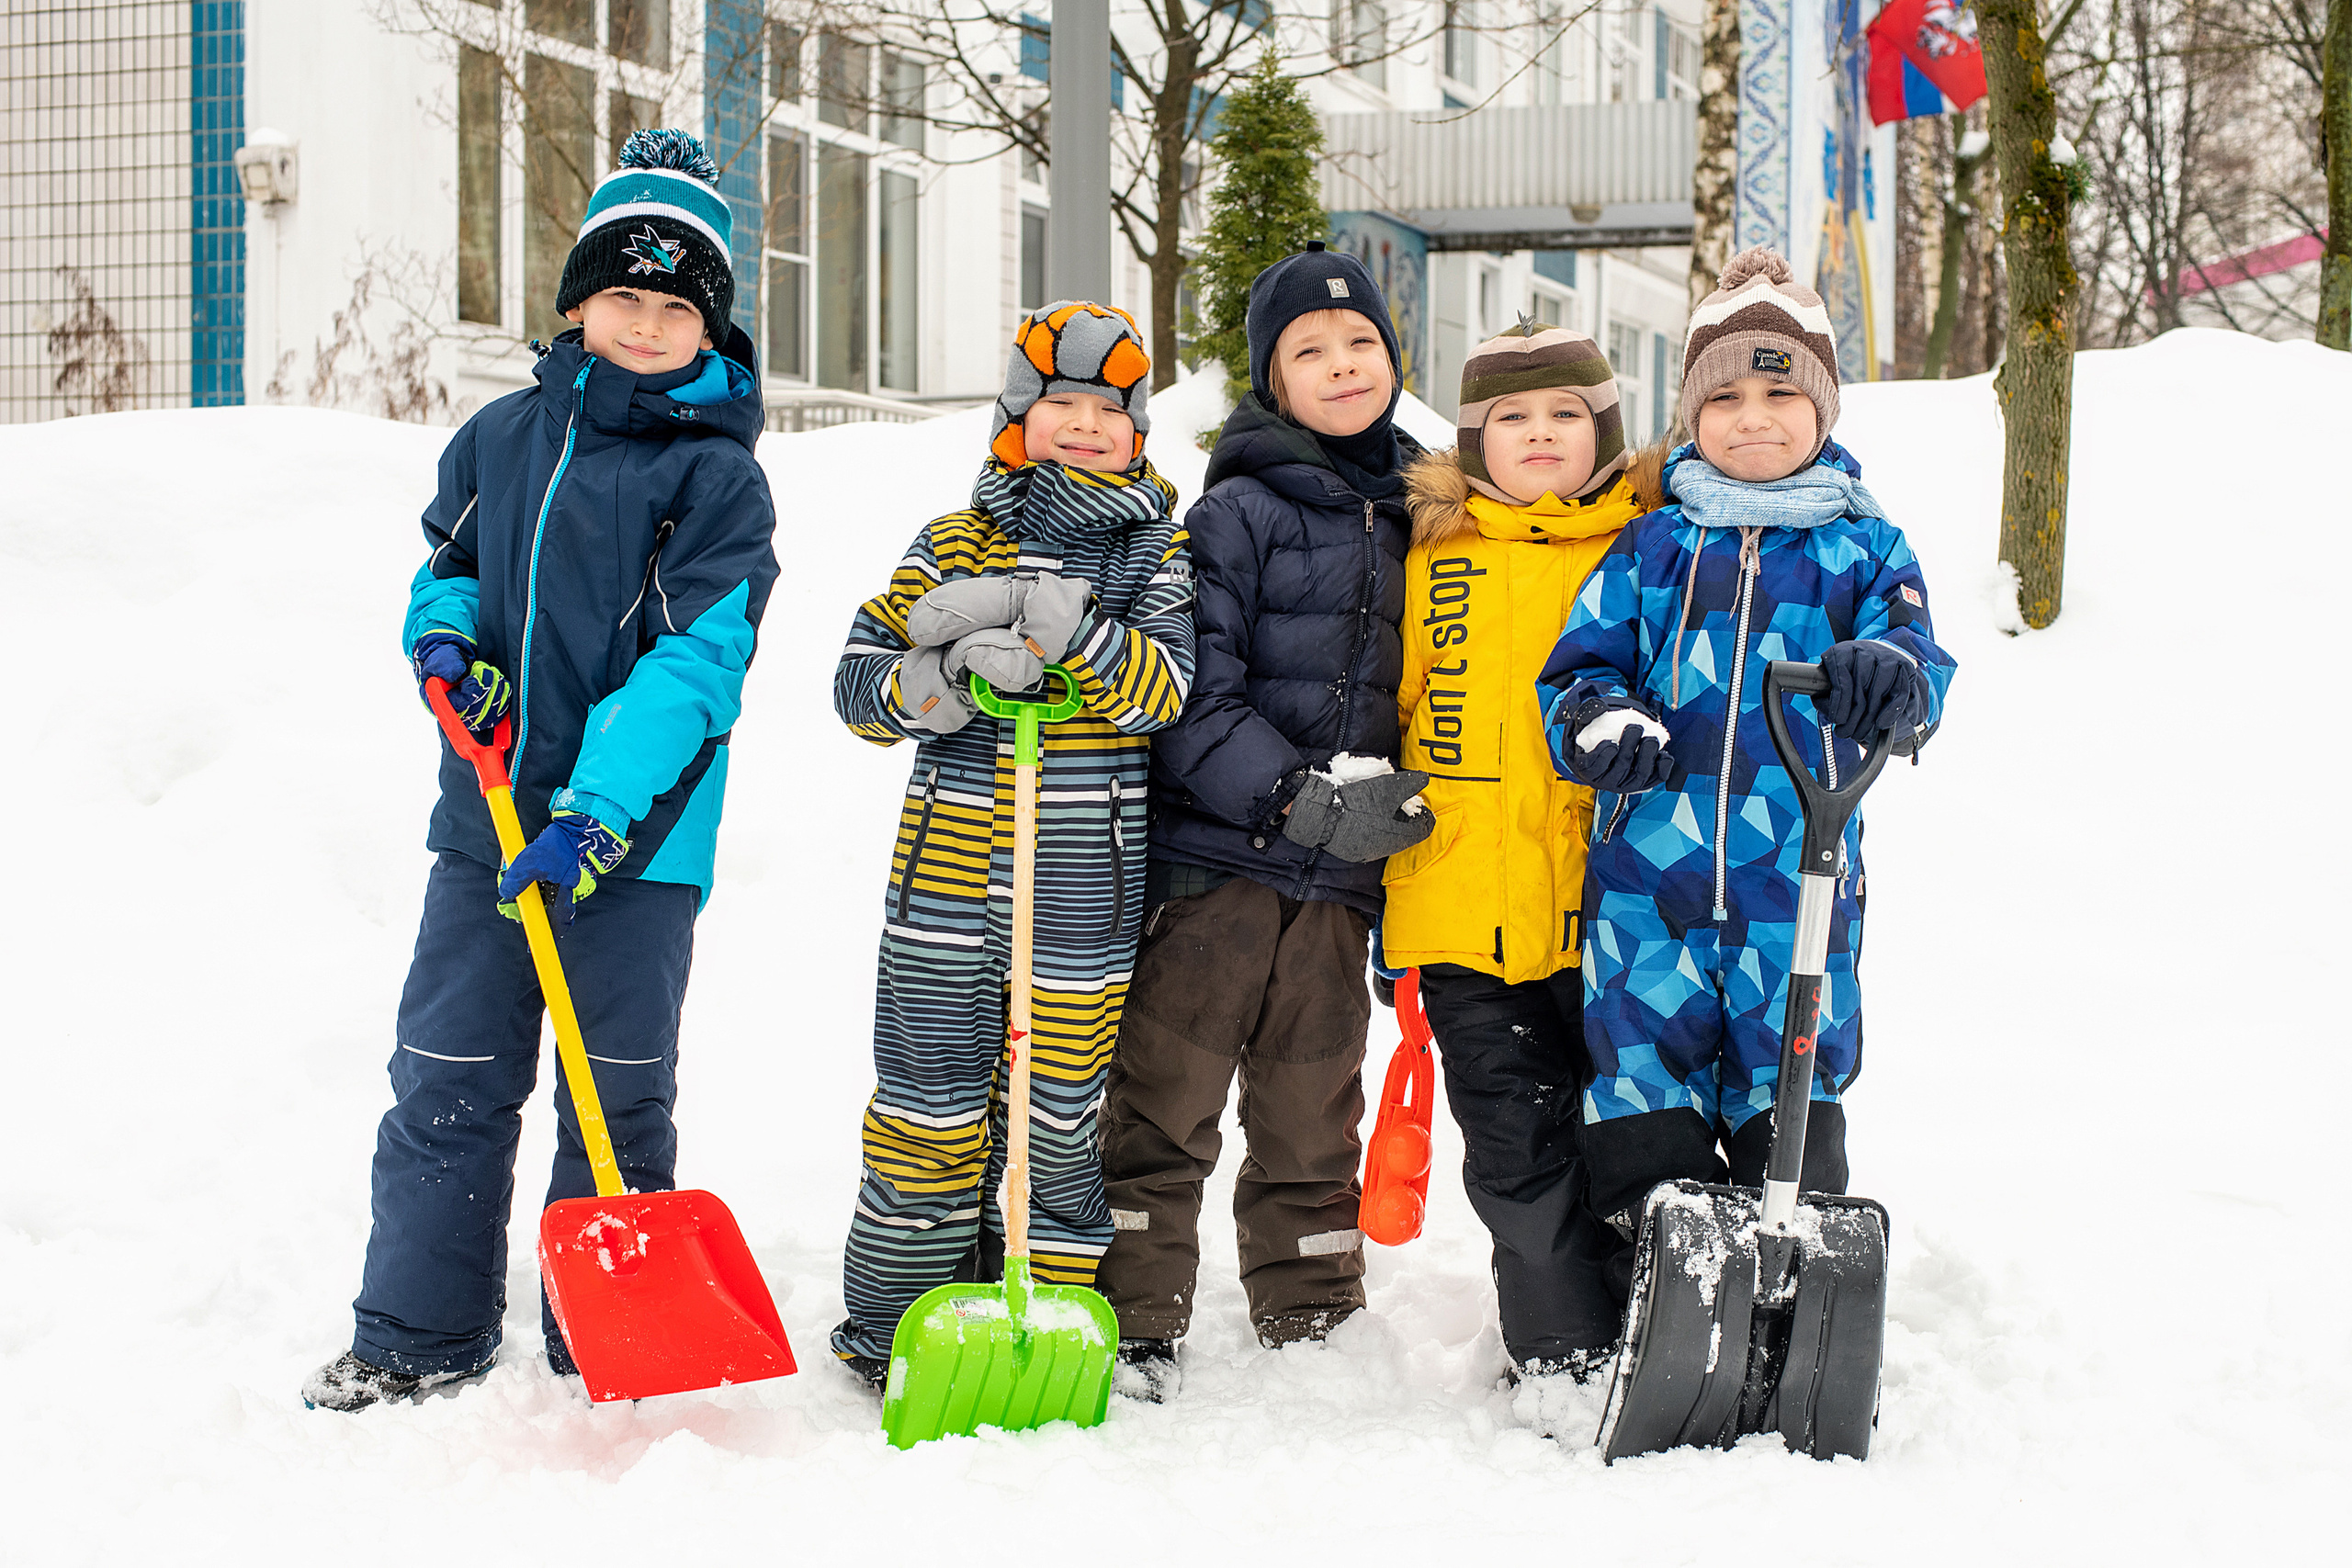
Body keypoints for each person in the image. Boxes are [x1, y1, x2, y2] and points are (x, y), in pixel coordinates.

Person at [304, 130, 778, 1411]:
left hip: (634, 846)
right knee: (448, 1072)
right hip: (487, 819)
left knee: (615, 1095)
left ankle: (605, 1337)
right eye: (622, 292)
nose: (643, 320)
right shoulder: (501, 437)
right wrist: (444, 640)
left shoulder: (720, 481)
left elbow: (692, 669)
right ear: (578, 299)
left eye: (675, 304)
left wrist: (598, 812)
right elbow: (446, 564)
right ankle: (419, 1328)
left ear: (709, 331)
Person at [1535, 247, 1956, 1278]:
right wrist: (1598, 721)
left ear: (1822, 410)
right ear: (1689, 414)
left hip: (1796, 881)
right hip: (1648, 886)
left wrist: (1886, 674)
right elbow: (1579, 668)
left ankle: (1791, 1294)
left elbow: (1921, 669)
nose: (1750, 417)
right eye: (1722, 396)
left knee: (1792, 1078)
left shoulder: (1865, 550)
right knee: (1640, 1081)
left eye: (1779, 392)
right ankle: (1658, 1290)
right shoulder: (1650, 547)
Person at [826, 301, 1194, 1387]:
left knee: (1058, 1116)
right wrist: (937, 680)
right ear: (1016, 420)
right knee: (924, 1102)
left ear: (1136, 432)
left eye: (1106, 410)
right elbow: (857, 688)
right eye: (1060, 405)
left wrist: (1059, 626)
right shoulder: (946, 543)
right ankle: (894, 1322)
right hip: (940, 889)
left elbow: (1162, 689)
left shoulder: (1154, 555)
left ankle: (1046, 1322)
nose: (1083, 425)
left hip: (1081, 893)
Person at [1098, 243, 1432, 1398]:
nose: (1342, 366)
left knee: (1312, 1107)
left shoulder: (1429, 517)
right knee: (1166, 1096)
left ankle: (1311, 1311)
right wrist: (1292, 797)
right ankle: (1135, 1313)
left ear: (1393, 360)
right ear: (1269, 379)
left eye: (1361, 345)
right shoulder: (1233, 513)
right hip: (1219, 865)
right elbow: (1188, 689)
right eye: (1309, 351)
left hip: (1345, 885)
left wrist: (1396, 813)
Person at [1388, 320, 1661, 1385]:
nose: (1540, 434)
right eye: (1511, 417)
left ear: (1605, 431)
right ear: (1472, 441)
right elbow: (1392, 716)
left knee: (1626, 1143)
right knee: (1513, 1154)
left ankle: (1653, 1342)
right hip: (1464, 912)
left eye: (1566, 414)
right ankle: (1560, 1359)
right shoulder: (1428, 559)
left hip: (1621, 917)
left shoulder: (1646, 545)